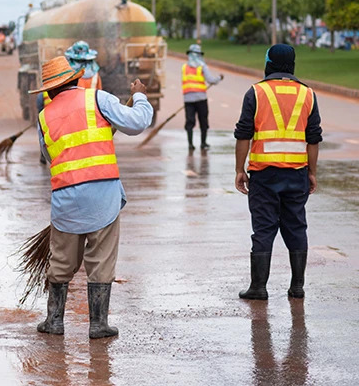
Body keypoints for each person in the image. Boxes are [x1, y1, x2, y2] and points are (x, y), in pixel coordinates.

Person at [30, 56, 152, 339]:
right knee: (101, 259)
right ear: (75, 79)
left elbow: (49, 155)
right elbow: (137, 122)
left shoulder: (44, 117)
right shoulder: (97, 99)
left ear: (48, 91)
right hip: (102, 197)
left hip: (66, 199)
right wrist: (139, 97)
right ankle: (98, 324)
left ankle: (54, 321)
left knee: (61, 262)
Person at [234, 44, 323, 300]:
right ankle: (297, 287)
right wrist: (312, 172)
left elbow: (243, 134)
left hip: (264, 175)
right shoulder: (308, 94)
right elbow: (313, 138)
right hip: (296, 173)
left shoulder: (256, 92)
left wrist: (240, 170)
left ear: (269, 63)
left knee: (263, 229)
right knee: (296, 228)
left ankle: (259, 288)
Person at [35, 41, 103, 164]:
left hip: (58, 115)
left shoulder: (66, 73)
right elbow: (100, 95)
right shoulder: (95, 74)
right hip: (91, 116)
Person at [182, 44, 223, 151]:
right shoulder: (202, 66)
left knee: (189, 122)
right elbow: (211, 80)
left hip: (188, 99)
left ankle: (190, 144)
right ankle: (203, 143)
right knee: (203, 121)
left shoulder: (184, 67)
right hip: (201, 98)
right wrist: (219, 78)